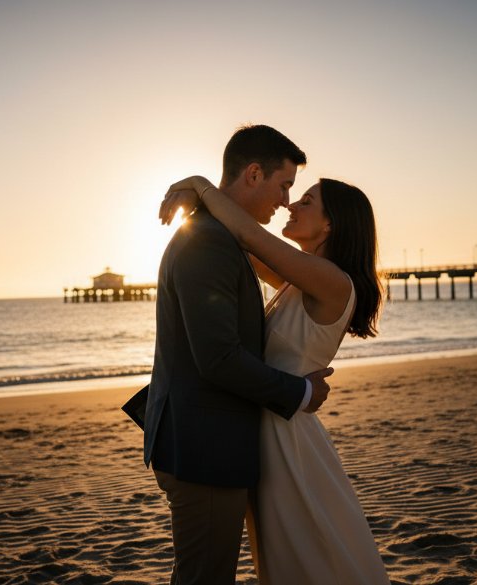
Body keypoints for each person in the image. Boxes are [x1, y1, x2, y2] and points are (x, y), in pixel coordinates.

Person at [159, 170, 391, 583]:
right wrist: (200, 205)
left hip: (286, 438)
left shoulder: (333, 281)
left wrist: (199, 183)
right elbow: (234, 241)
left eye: (306, 201)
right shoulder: (296, 281)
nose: (290, 204)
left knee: (302, 554)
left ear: (330, 224)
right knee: (282, 555)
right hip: (268, 425)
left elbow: (249, 236)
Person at [141, 125, 335, 585]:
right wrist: (302, 392)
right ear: (253, 174)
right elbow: (219, 359)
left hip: (209, 440)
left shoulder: (223, 238)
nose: (286, 200)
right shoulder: (208, 241)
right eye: (284, 184)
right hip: (203, 447)